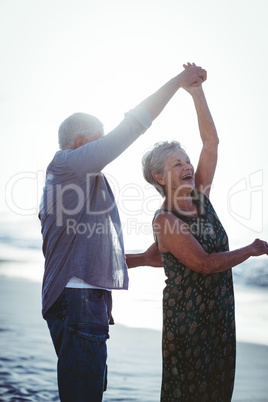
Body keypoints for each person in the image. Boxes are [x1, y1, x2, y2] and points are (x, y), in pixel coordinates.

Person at [38, 63, 207, 401]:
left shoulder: (74, 183)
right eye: (100, 143)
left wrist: (144, 259)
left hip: (80, 300)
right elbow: (132, 127)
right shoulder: (68, 164)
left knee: (83, 392)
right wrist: (176, 83)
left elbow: (83, 256)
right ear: (82, 143)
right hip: (79, 302)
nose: (106, 151)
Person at [142, 63, 268, 402]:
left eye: (186, 161)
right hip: (189, 324)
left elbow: (210, 142)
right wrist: (250, 250)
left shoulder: (200, 197)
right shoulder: (166, 219)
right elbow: (203, 263)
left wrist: (196, 92)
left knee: (217, 392)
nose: (186, 166)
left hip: (220, 314)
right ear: (159, 178)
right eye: (176, 164)